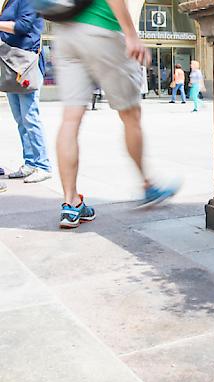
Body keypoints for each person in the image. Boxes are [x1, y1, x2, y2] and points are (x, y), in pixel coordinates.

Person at [53, 0, 179, 229]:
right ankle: (147, 185)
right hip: (102, 28)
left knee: (70, 119)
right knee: (131, 115)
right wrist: (131, 34)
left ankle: (70, 203)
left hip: (65, 33)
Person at [0, 0, 52, 184]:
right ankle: (30, 163)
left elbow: (23, 26)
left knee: (30, 117)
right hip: (10, 62)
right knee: (20, 119)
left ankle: (43, 165)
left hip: (24, 63)